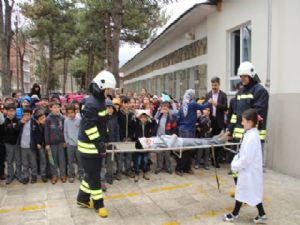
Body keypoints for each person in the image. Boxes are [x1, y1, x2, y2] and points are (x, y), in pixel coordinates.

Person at [76, 70, 116, 218]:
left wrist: (104, 138)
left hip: (94, 146)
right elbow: (89, 127)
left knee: (91, 173)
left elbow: (99, 123)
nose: (108, 92)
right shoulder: (93, 103)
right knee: (94, 177)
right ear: (100, 87)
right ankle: (99, 205)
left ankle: (82, 199)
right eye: (108, 90)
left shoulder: (97, 101)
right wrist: (100, 145)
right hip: (89, 148)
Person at [224, 108, 267, 224]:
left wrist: (235, 165)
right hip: (248, 171)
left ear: (250, 122)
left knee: (247, 191)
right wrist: (237, 159)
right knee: (246, 191)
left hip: (249, 171)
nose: (242, 123)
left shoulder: (252, 137)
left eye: (243, 121)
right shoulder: (250, 133)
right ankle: (260, 214)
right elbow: (244, 153)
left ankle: (235, 213)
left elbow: (247, 158)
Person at [175, 89, 210, 176]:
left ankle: (186, 168)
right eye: (194, 95)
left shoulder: (183, 105)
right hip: (189, 131)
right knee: (187, 150)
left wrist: (180, 127)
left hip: (182, 130)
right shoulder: (193, 104)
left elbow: (178, 120)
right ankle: (180, 168)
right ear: (192, 96)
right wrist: (209, 101)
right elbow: (203, 107)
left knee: (184, 150)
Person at [205, 77, 228, 167]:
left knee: (218, 141)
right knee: (210, 140)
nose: (214, 87)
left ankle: (217, 160)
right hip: (210, 121)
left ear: (219, 85)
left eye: (215, 85)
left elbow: (225, 107)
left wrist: (215, 104)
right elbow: (205, 106)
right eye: (212, 85)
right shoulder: (208, 94)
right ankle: (211, 157)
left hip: (219, 121)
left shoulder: (223, 95)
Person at [45, 101, 66, 184]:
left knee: (62, 160)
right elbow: (46, 132)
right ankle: (54, 175)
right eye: (54, 107)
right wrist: (47, 144)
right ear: (51, 108)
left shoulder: (62, 118)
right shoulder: (48, 119)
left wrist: (65, 141)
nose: (57, 109)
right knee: (52, 160)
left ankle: (63, 175)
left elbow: (65, 131)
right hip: (52, 143)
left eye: (58, 107)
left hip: (61, 142)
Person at [133, 110, 156, 182]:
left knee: (145, 160)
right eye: (141, 117)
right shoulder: (136, 123)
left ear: (146, 118)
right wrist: (136, 116)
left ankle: (145, 173)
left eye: (144, 117)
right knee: (138, 160)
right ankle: (136, 173)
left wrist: (150, 117)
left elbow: (154, 123)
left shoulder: (149, 124)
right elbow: (131, 123)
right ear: (139, 118)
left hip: (146, 145)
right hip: (138, 145)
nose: (143, 119)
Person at [154, 101, 177, 174]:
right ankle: (159, 167)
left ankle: (168, 167)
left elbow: (174, 128)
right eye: (163, 109)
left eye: (166, 109)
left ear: (168, 109)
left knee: (167, 153)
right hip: (159, 137)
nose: (164, 110)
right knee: (159, 153)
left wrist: (173, 135)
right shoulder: (159, 116)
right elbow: (154, 119)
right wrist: (157, 112)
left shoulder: (171, 118)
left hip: (167, 138)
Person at [3, 103, 22, 184]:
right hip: (8, 144)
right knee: (9, 161)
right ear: (6, 111)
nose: (11, 113)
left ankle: (18, 174)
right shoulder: (4, 121)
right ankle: (10, 175)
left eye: (13, 111)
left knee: (18, 160)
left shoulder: (18, 120)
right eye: (10, 111)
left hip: (17, 144)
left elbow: (19, 131)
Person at [64, 104, 83, 183]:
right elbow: (65, 132)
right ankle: (71, 175)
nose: (70, 114)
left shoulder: (79, 120)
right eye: (68, 113)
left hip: (79, 144)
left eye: (72, 112)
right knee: (70, 161)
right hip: (70, 145)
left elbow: (82, 132)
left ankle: (81, 174)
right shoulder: (66, 121)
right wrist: (67, 141)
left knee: (80, 160)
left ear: (75, 112)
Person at [19, 107, 38, 184]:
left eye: (28, 115)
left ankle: (34, 176)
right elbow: (16, 130)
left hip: (31, 146)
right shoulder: (20, 122)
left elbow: (36, 134)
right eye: (24, 115)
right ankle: (25, 176)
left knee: (33, 162)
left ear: (31, 115)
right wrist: (21, 123)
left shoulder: (34, 122)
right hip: (23, 146)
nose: (26, 116)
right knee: (25, 163)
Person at [118, 97, 135, 178]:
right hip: (121, 139)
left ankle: (128, 170)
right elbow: (118, 127)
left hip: (130, 138)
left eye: (127, 103)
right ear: (122, 104)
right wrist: (122, 137)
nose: (126, 105)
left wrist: (130, 137)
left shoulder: (132, 114)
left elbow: (133, 127)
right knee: (120, 156)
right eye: (124, 103)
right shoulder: (119, 113)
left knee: (129, 155)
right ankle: (119, 171)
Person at [105, 99, 121, 184]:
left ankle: (110, 176)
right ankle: (102, 178)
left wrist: (117, 143)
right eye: (108, 107)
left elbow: (117, 131)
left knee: (110, 161)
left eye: (111, 108)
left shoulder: (115, 118)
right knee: (102, 162)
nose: (110, 109)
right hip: (103, 143)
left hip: (113, 143)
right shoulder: (102, 119)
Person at [32, 108, 48, 182]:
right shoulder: (35, 126)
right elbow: (35, 136)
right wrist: (37, 143)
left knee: (47, 160)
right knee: (43, 160)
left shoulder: (46, 125)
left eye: (44, 117)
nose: (44, 119)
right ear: (37, 120)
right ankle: (43, 175)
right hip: (40, 145)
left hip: (47, 144)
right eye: (41, 119)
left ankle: (47, 173)